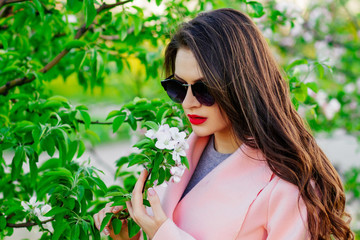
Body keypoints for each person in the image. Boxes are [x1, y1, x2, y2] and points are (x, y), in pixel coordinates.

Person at [93, 8, 354, 240]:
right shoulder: (175, 156)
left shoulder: (287, 187)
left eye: (204, 89)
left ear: (241, 86)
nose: (188, 103)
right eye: (178, 87)